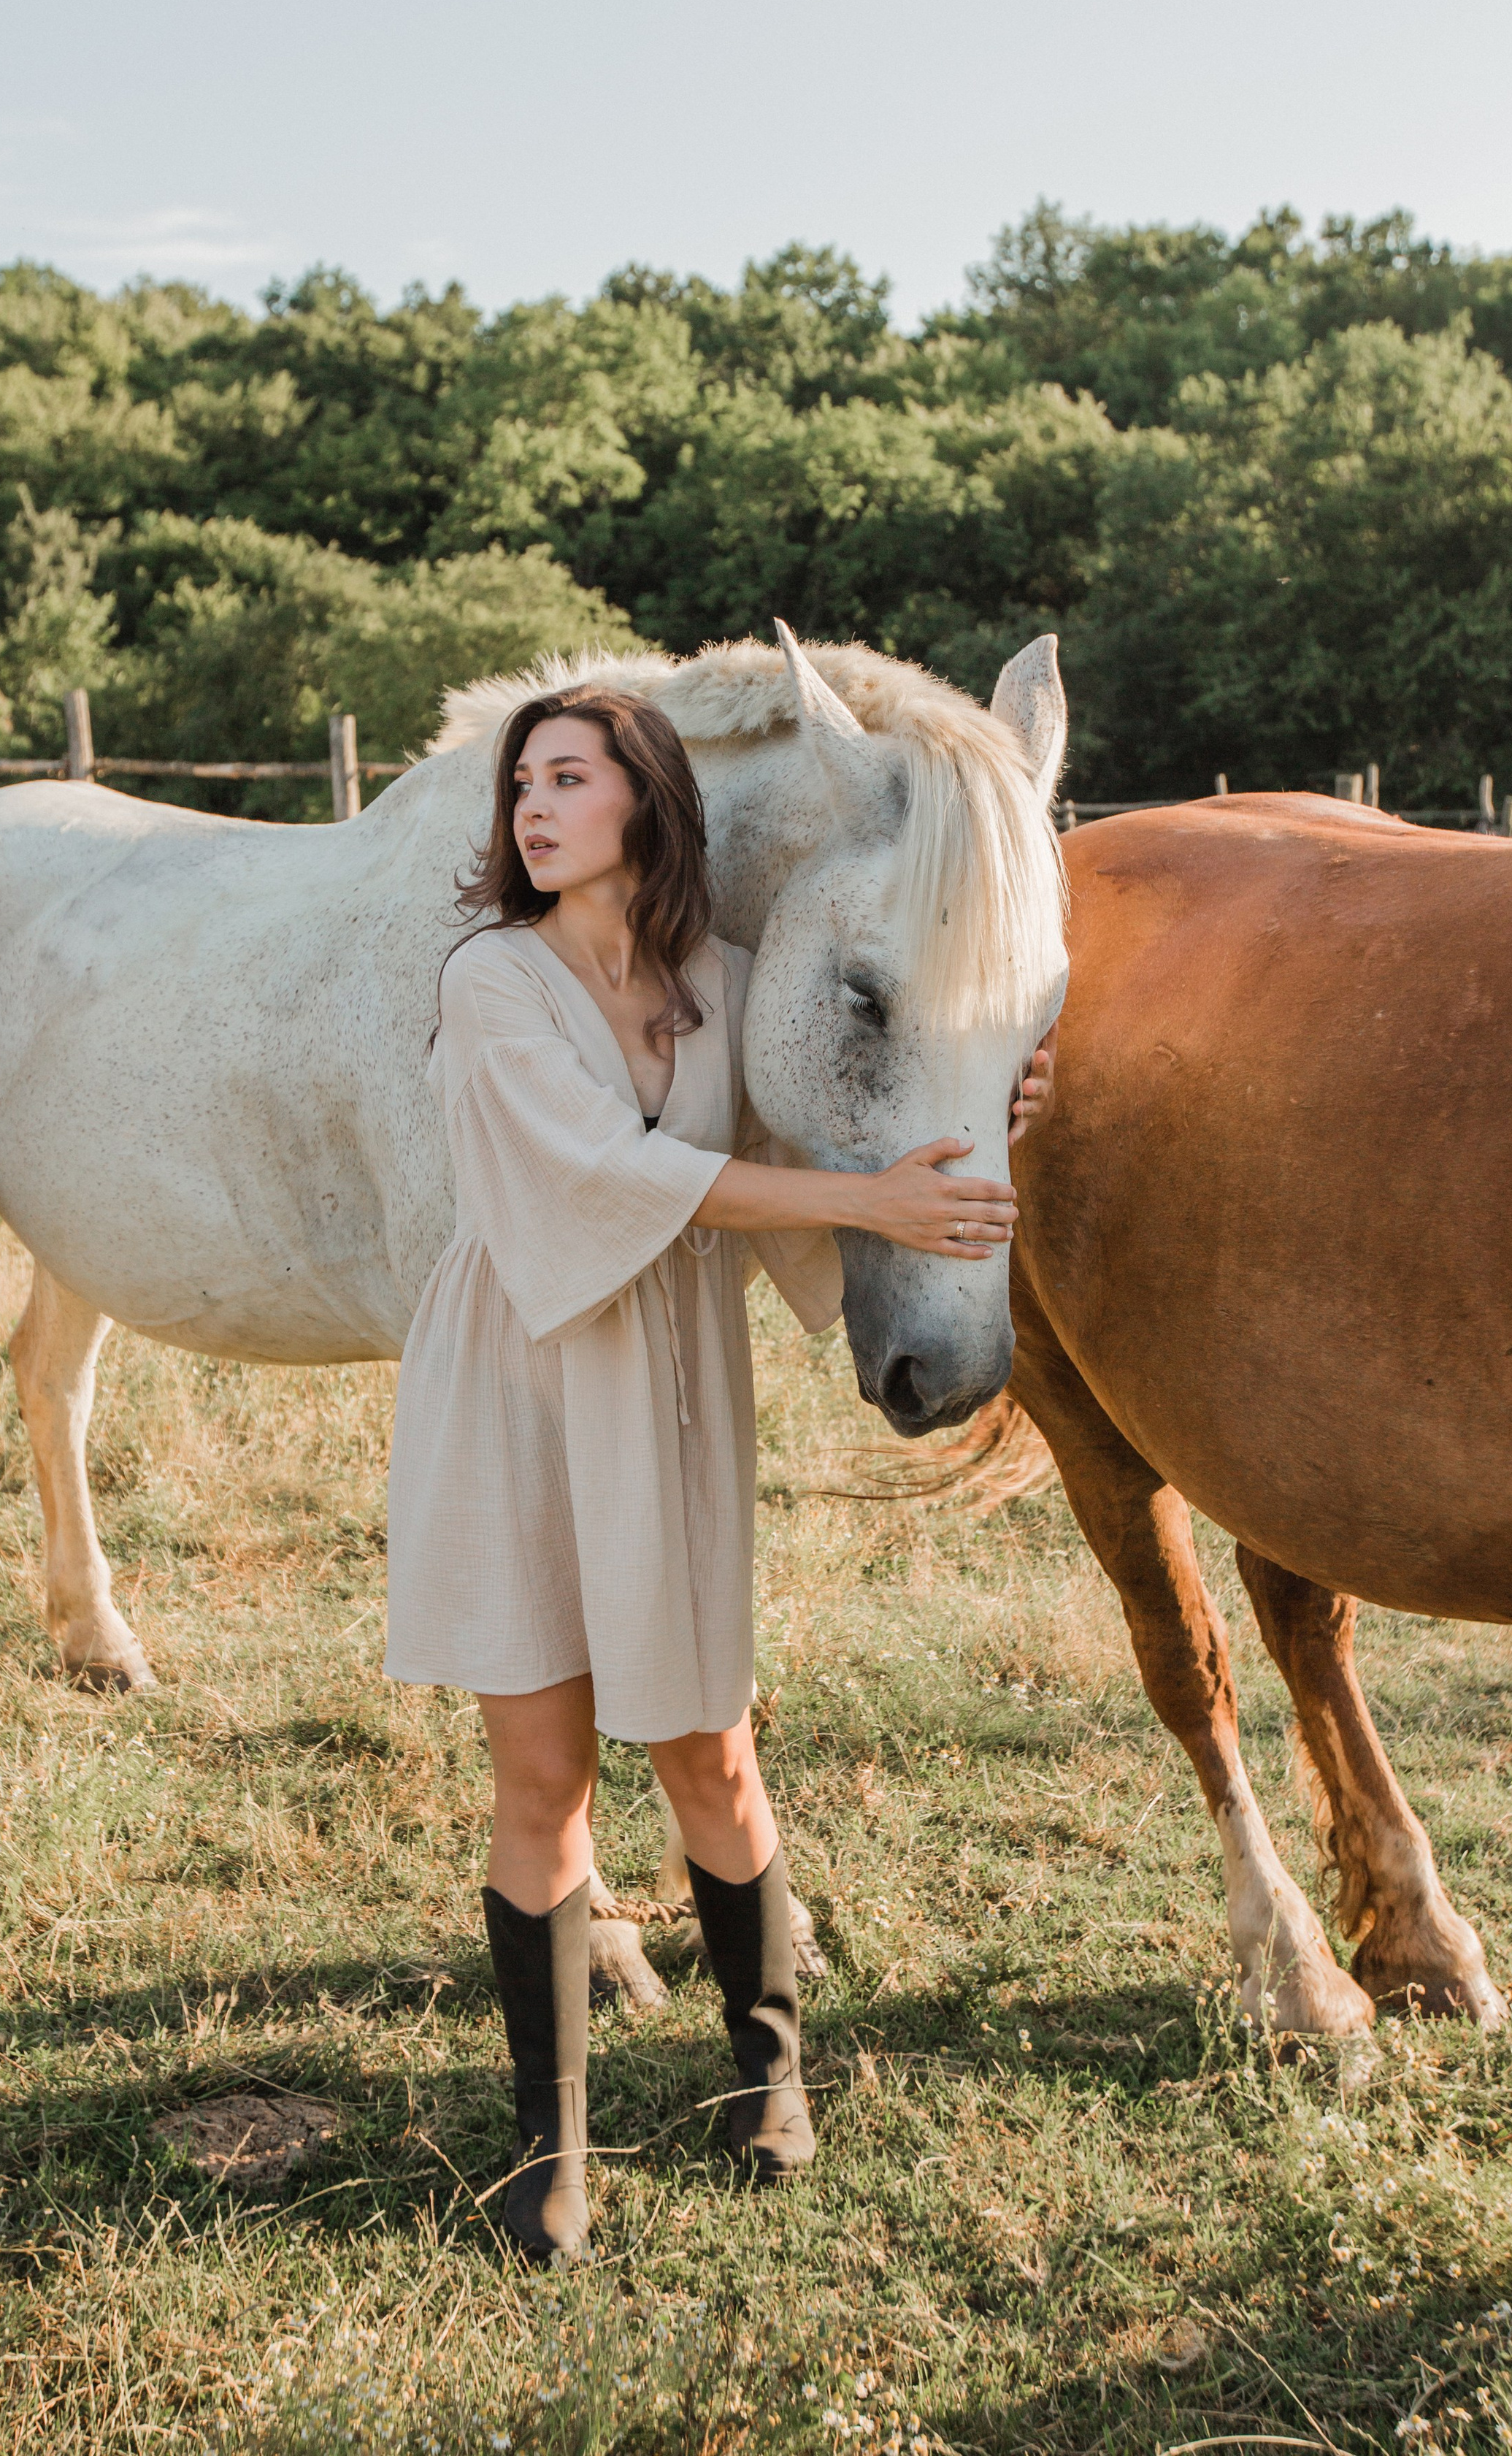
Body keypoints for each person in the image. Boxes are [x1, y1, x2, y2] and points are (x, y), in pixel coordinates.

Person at [385, 684, 1055, 2260]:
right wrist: (864, 1211)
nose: (534, 809)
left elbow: (838, 1110)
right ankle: (549, 2153)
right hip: (518, 1375)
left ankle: (766, 2080)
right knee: (541, 1778)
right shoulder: (488, 979)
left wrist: (980, 1104)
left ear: (645, 804)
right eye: (521, 785)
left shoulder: (724, 983)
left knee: (711, 1758)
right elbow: (603, 1174)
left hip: (672, 1385)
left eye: (568, 779)